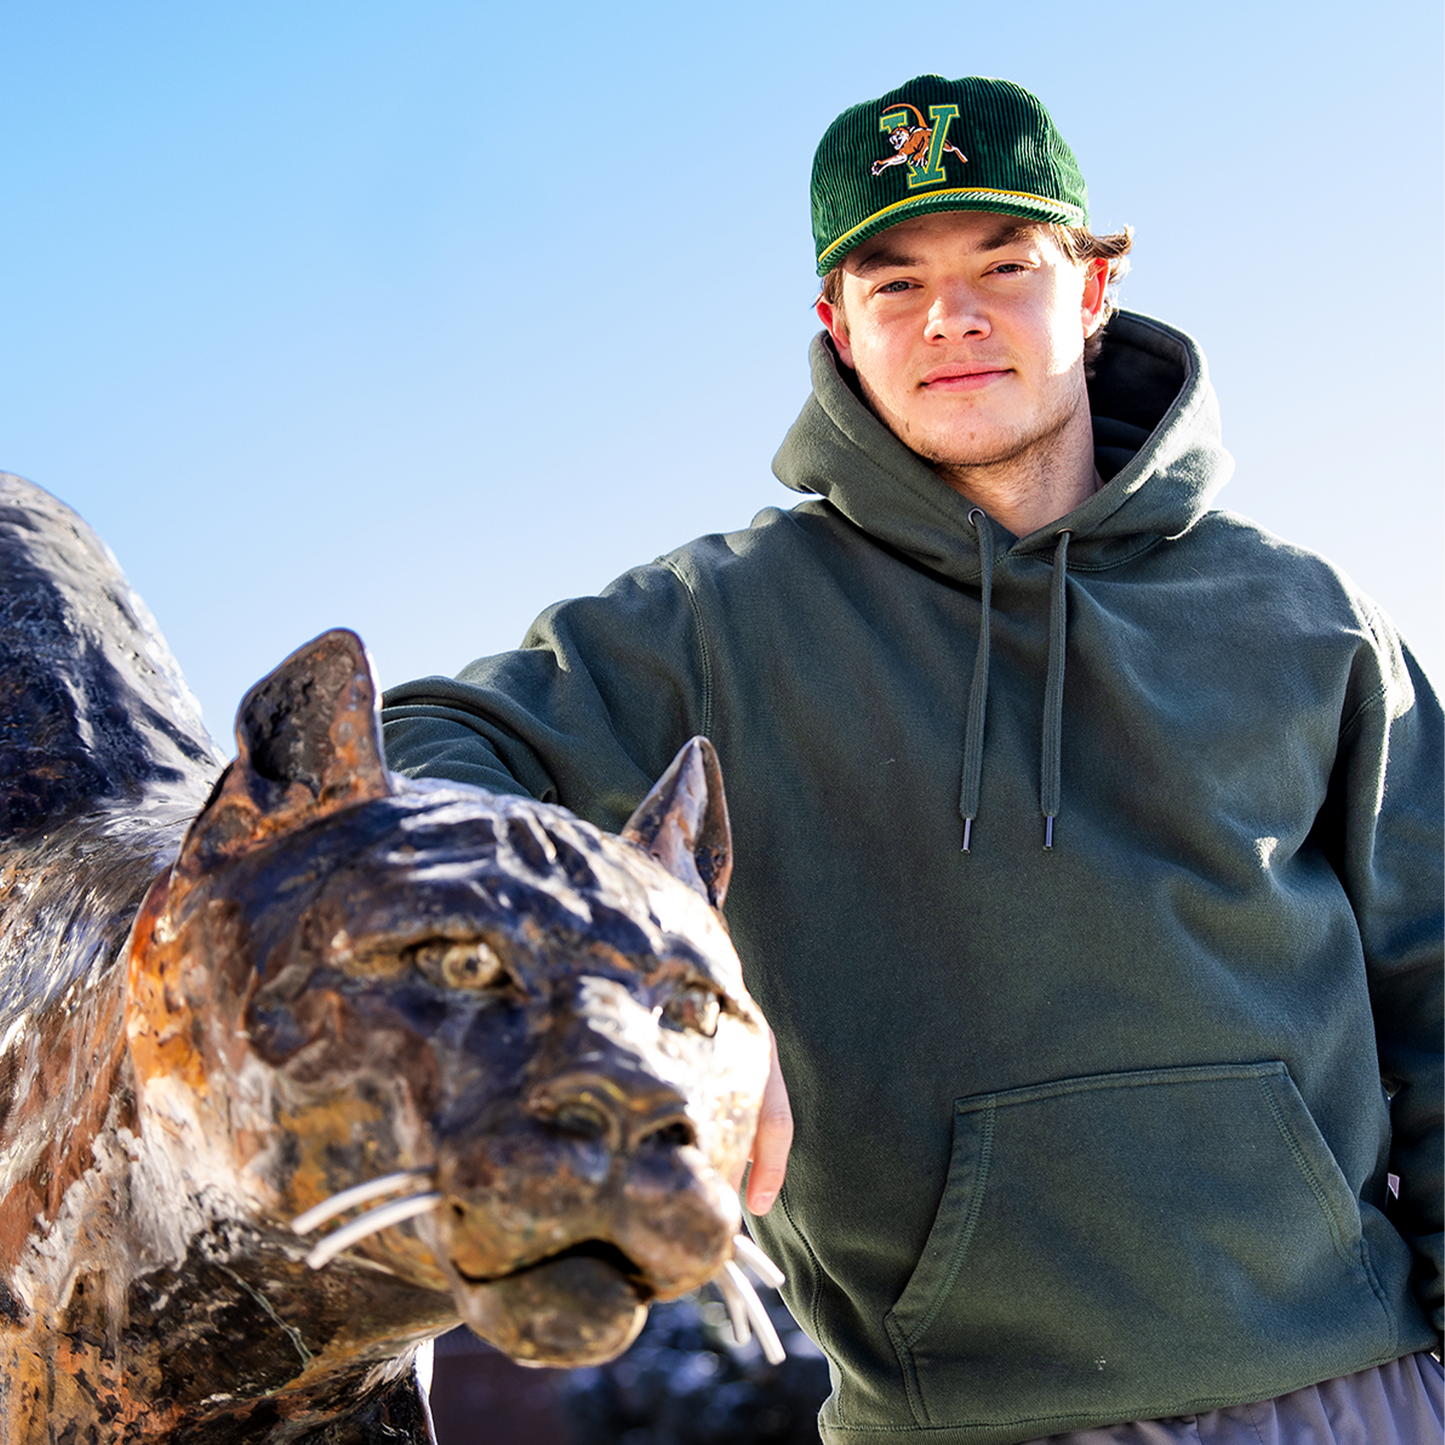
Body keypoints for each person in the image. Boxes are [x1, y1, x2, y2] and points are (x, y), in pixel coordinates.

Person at [381, 74, 1445, 1445]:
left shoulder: (1311, 620)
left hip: (1357, 1396)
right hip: (958, 1420)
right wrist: (663, 971)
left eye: (1007, 264)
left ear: (1095, 287)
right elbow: (424, 758)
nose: (953, 317)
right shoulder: (717, 624)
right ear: (837, 324)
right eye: (895, 284)